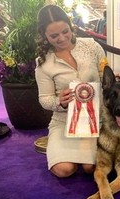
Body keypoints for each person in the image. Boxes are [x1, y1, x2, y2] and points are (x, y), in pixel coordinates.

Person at [35, 5, 107, 178]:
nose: (61, 38)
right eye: (54, 35)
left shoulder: (91, 45)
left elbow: (105, 75)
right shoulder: (43, 62)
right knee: (64, 170)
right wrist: (60, 101)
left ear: (71, 25)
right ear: (44, 35)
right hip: (63, 122)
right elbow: (44, 100)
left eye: (65, 31)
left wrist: (113, 80)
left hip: (95, 120)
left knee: (90, 168)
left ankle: (81, 154)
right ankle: (61, 149)